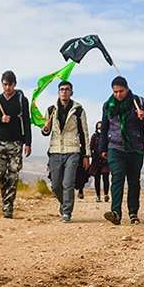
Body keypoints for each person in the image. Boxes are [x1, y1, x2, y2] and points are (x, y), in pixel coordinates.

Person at [99, 76, 144, 225]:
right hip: (115, 147)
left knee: (133, 181)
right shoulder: (107, 105)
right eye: (115, 91)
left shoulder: (139, 102)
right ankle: (116, 213)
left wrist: (143, 117)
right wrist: (102, 148)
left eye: (121, 91)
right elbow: (105, 127)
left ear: (127, 89)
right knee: (117, 178)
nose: (118, 95)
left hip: (135, 148)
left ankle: (133, 213)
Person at [41, 80, 88, 222]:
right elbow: (45, 132)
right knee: (55, 185)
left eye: (67, 89)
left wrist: (86, 155)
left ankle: (67, 212)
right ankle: (64, 203)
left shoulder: (78, 110)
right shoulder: (51, 110)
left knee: (68, 183)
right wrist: (46, 127)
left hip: (73, 150)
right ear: (58, 92)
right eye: (62, 89)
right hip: (55, 150)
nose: (64, 92)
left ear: (71, 92)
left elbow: (84, 132)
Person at [0, 70, 31, 219]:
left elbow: (26, 121)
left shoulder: (21, 99)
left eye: (10, 85)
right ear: (2, 84)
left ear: (15, 84)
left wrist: (28, 143)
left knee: (13, 175)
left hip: (16, 143)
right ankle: (6, 196)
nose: (7, 88)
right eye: (5, 84)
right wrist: (0, 120)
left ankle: (8, 207)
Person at [89, 121, 110, 202]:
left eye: (101, 128)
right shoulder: (94, 137)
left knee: (106, 177)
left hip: (105, 160)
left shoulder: (107, 137)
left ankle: (106, 194)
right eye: (98, 128)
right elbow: (90, 147)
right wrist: (91, 155)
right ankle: (98, 196)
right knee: (97, 179)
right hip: (96, 160)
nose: (100, 129)